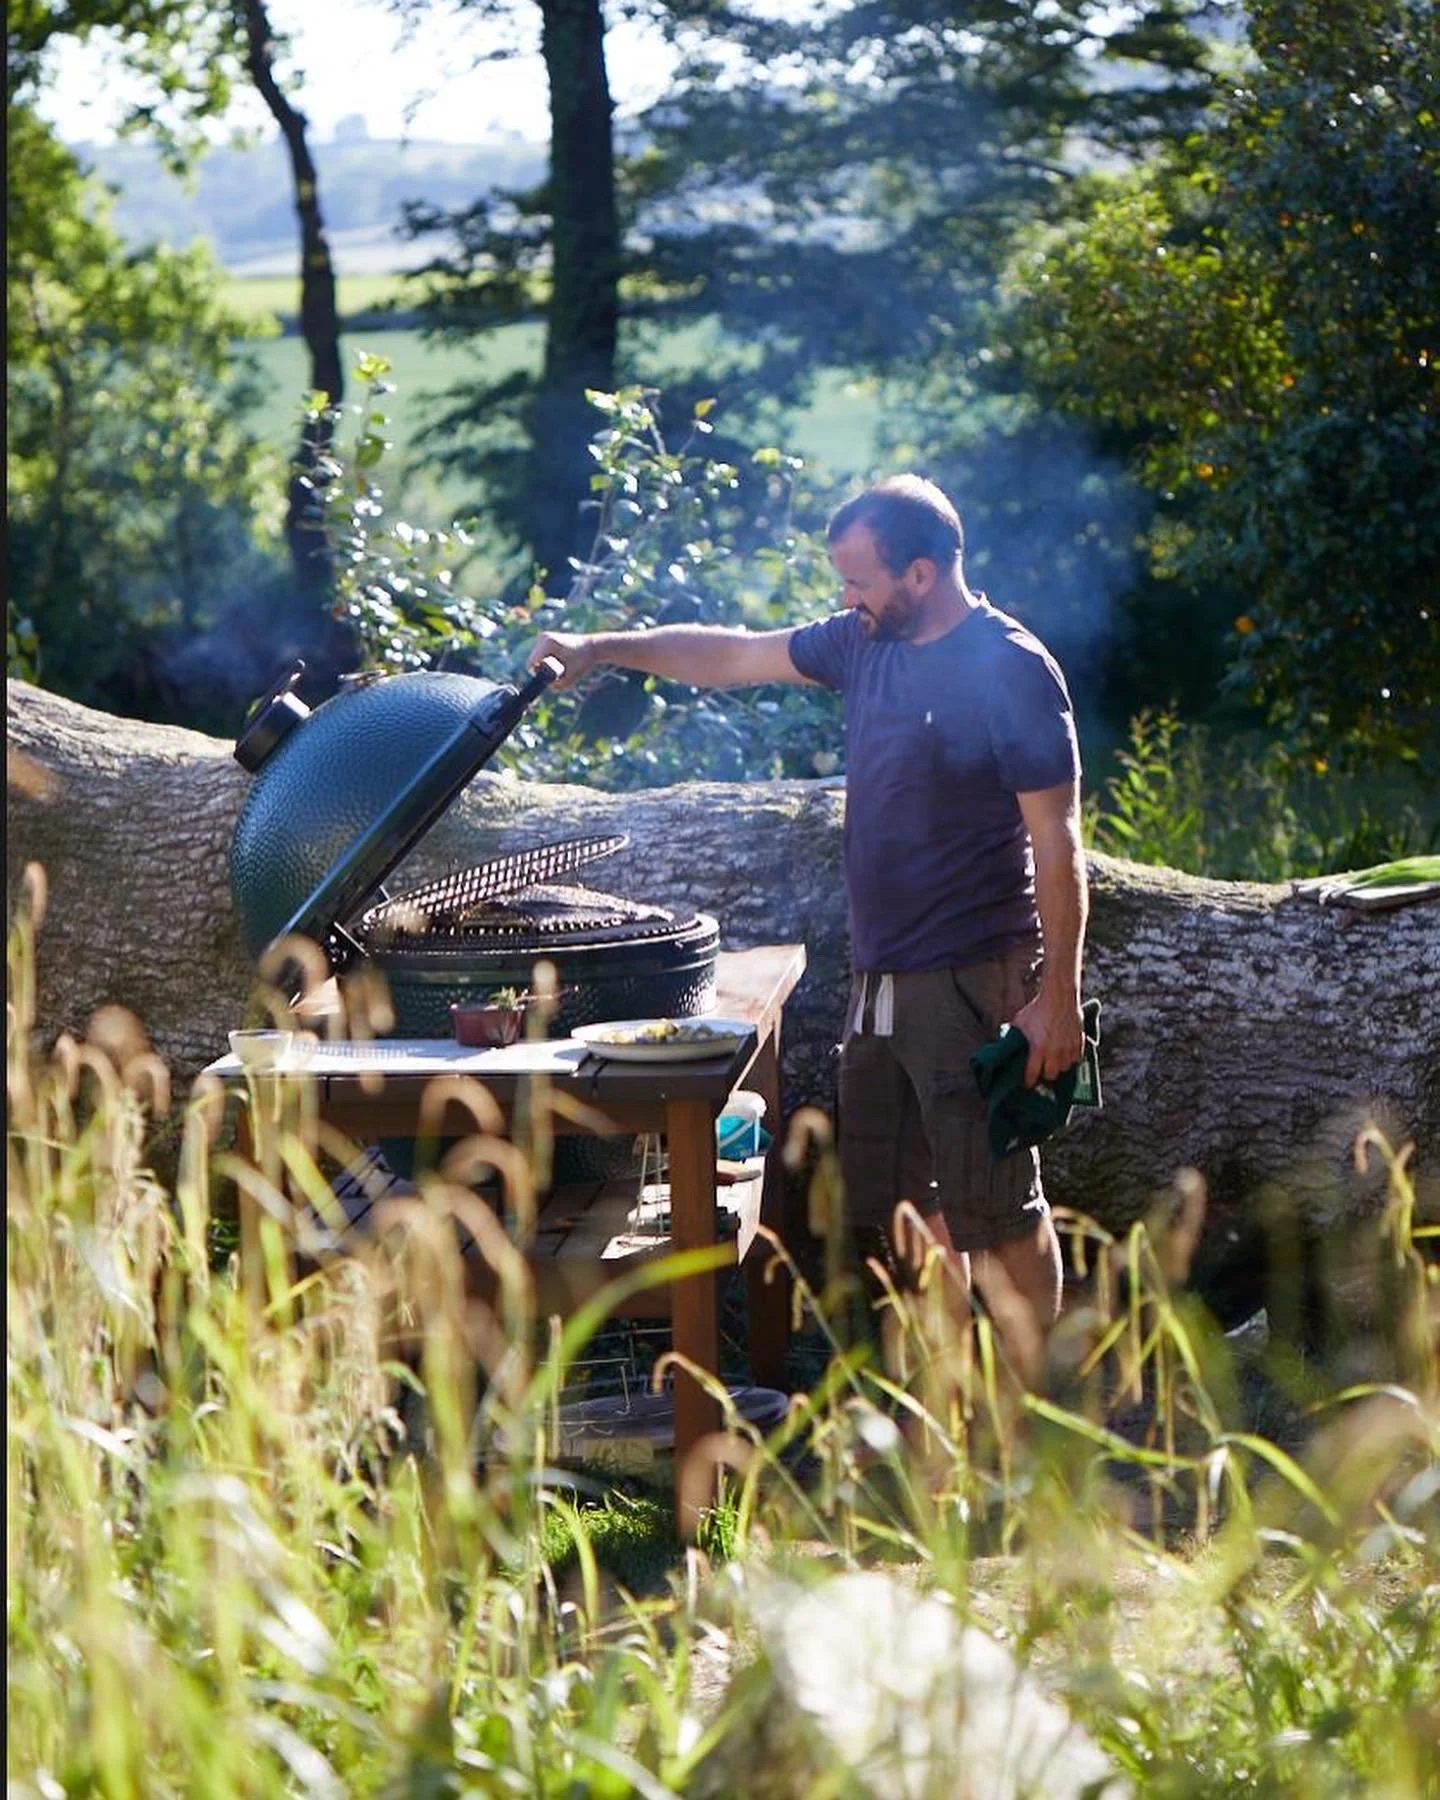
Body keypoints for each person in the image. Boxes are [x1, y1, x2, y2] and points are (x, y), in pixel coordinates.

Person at [527, 474, 1087, 1373]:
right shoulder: (862, 642)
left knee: (999, 1208)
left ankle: (1034, 1425)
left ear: (921, 573)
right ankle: (947, 1410)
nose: (847, 597)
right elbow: (733, 655)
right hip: (881, 977)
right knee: (907, 1207)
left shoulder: (1010, 668)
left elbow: (1058, 842)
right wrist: (601, 648)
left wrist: (1057, 998)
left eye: (860, 580)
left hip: (974, 976)